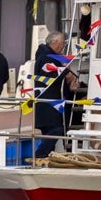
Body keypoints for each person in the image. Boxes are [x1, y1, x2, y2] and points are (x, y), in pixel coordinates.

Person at [33, 31, 80, 159]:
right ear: (55, 43)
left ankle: (46, 159)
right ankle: (39, 155)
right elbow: (57, 75)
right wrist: (67, 74)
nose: (63, 47)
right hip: (48, 104)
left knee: (52, 132)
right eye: (63, 44)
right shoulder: (45, 58)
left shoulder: (46, 56)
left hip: (50, 104)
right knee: (56, 130)